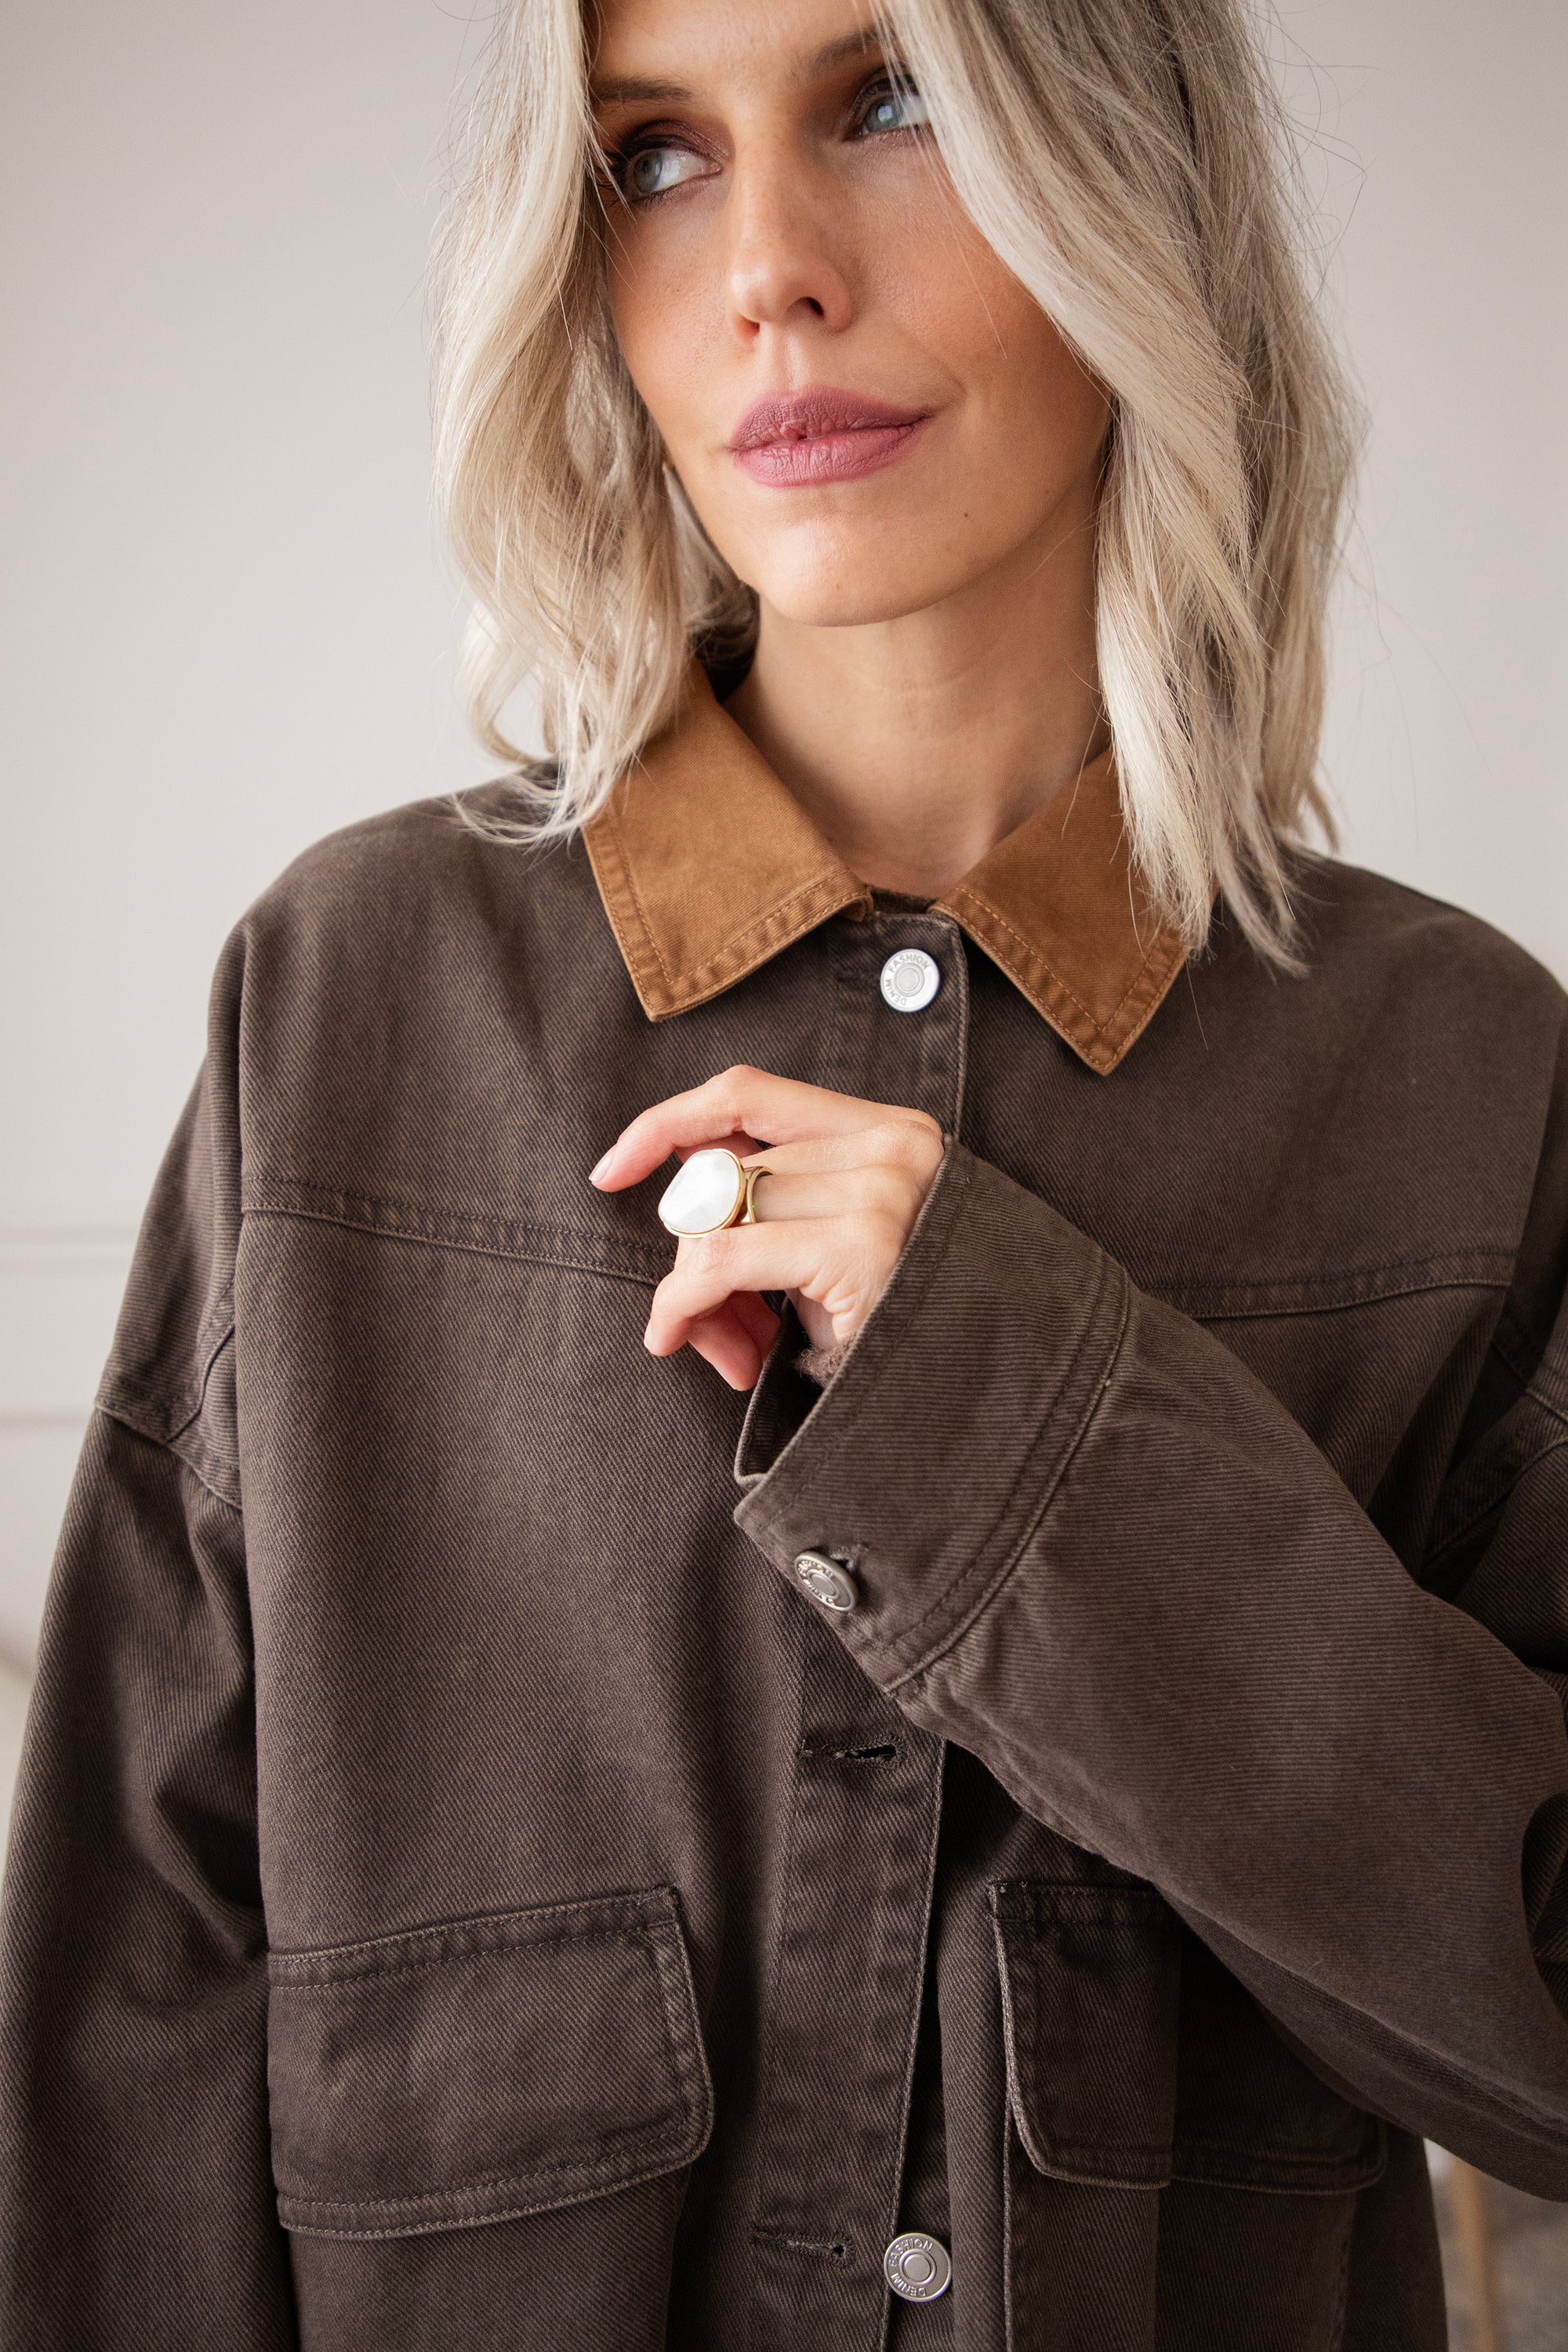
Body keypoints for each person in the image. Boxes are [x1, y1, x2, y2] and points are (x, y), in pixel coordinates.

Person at [2, 0, 1566, 2343]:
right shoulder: (349, 1000)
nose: (767, 273)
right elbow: (132, 2035)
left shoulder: (1458, 1075)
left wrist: (1018, 1418)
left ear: (1127, 184)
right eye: (655, 156)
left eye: (890, 100)